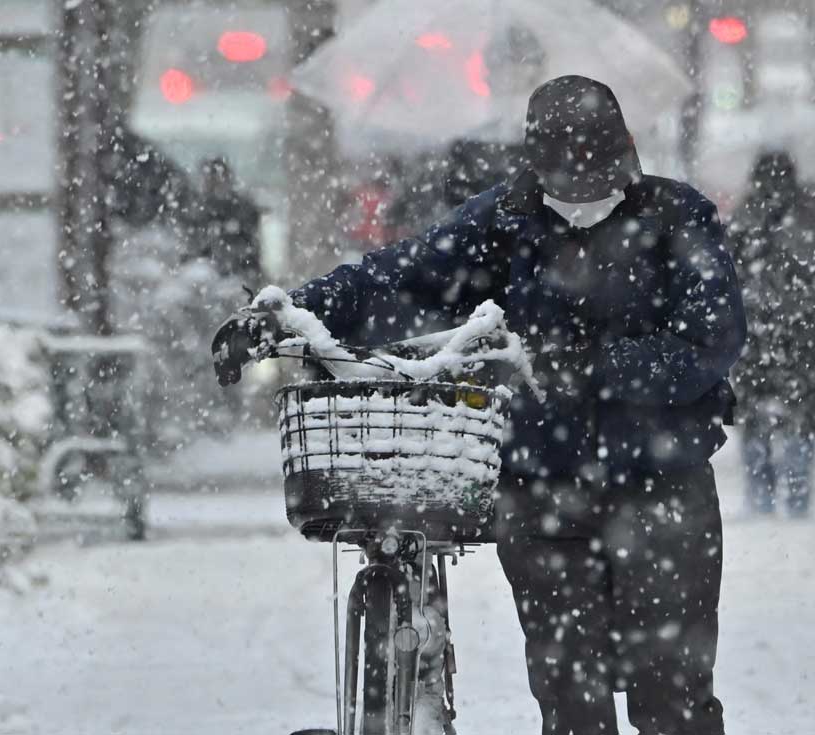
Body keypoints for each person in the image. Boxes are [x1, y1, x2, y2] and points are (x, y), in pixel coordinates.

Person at [213, 75, 744, 735]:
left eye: (600, 180)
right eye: (565, 183)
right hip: (543, 492)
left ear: (628, 156)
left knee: (675, 702)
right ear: (534, 163)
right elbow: (398, 277)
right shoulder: (505, 221)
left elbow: (711, 338)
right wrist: (292, 313)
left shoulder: (676, 217)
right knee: (571, 703)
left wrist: (596, 369)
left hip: (662, 489)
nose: (584, 200)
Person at [729, 150, 815, 517]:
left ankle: (760, 497)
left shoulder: (744, 218)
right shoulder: (807, 217)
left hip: (754, 335)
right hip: (801, 336)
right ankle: (796, 499)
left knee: (754, 420)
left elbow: (727, 275)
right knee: (800, 416)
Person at [187, 156, 263, 287]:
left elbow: (250, 241)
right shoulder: (198, 207)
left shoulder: (242, 206)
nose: (213, 183)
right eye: (210, 179)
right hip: (208, 275)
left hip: (238, 274)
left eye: (216, 178)